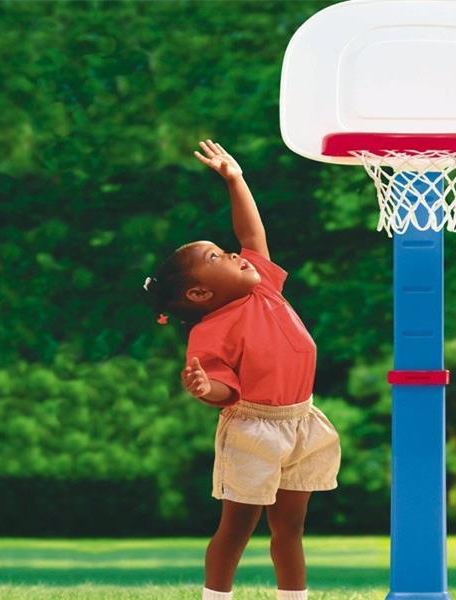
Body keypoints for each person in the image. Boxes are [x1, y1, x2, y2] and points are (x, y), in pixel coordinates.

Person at [144, 140, 341, 600]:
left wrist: (236, 179)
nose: (233, 254)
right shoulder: (212, 328)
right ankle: (216, 596)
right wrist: (204, 386)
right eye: (216, 257)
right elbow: (224, 389)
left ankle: (294, 597)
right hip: (255, 429)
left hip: (302, 422)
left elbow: (252, 237)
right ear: (198, 295)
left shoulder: (262, 287)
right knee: (237, 527)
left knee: (290, 528)